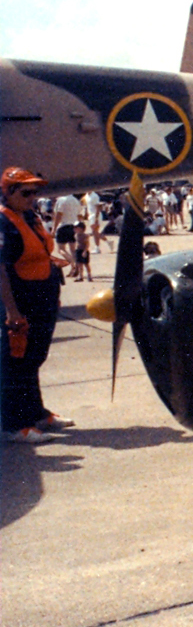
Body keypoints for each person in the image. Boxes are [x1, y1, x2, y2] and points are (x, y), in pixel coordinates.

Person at [1, 167, 73, 443]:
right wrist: (12, 311)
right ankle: (14, 425)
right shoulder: (3, 221)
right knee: (15, 363)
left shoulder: (29, 216)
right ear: (9, 193)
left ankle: (37, 414)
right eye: (26, 192)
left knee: (34, 358)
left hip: (43, 299)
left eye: (35, 191)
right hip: (21, 303)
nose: (33, 197)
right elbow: (2, 270)